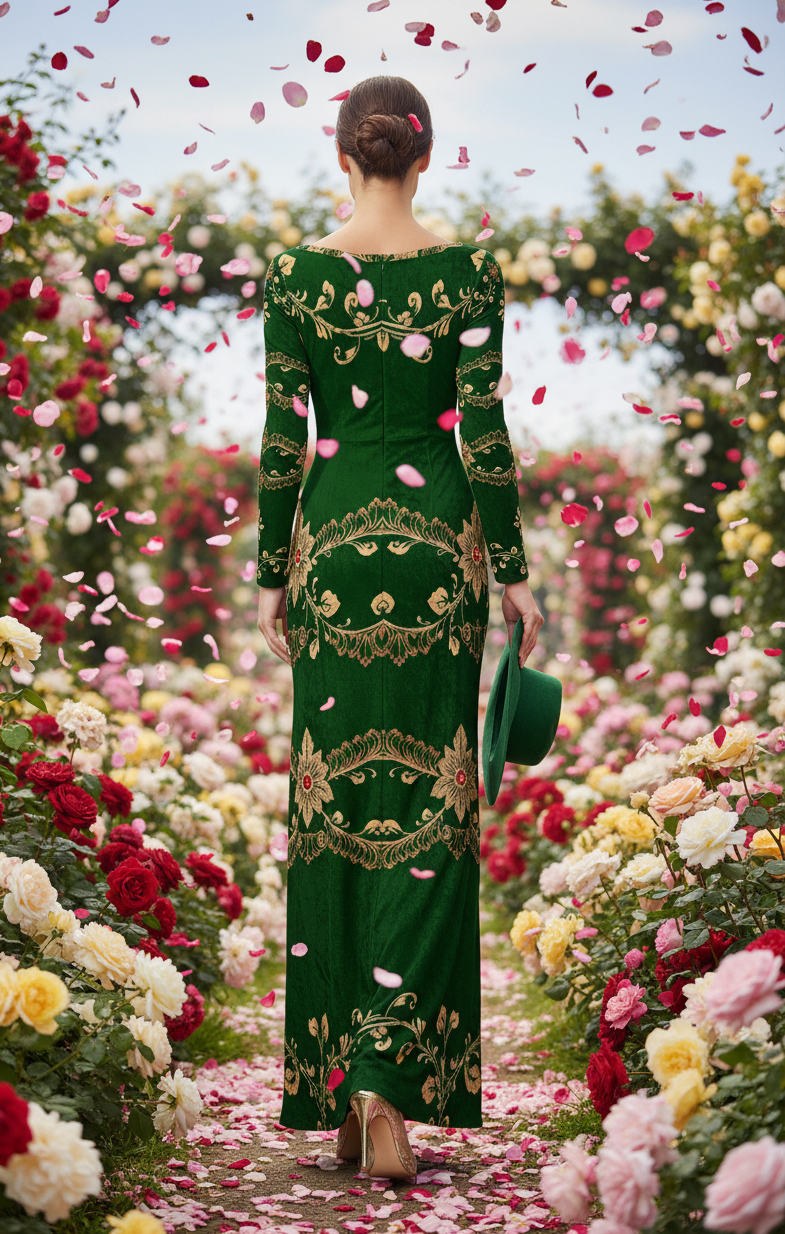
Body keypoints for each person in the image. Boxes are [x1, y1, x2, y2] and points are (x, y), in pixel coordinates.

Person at [255, 75, 544, 1182]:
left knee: (333, 807)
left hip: (331, 552)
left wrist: (274, 573)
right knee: (432, 810)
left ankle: (346, 1075)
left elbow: (285, 434)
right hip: (437, 555)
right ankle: (383, 1089)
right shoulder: (469, 269)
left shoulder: (295, 274)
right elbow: (480, 426)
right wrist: (509, 572)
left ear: (343, 156)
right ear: (426, 156)